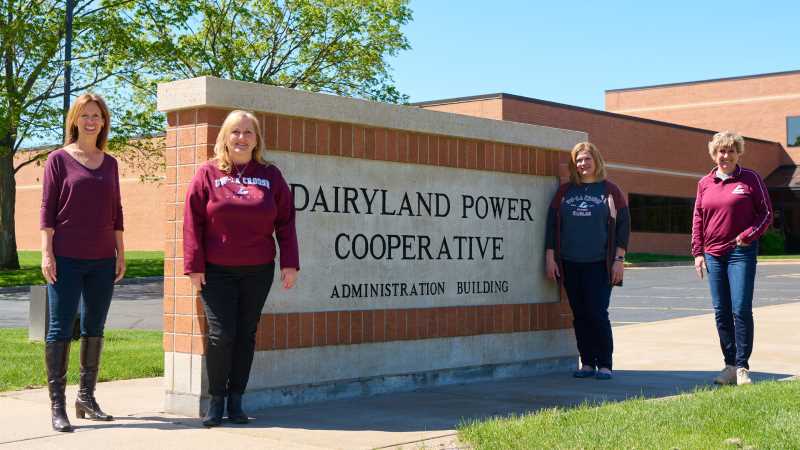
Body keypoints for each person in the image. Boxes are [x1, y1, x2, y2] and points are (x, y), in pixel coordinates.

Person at [184, 110, 299, 427]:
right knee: (222, 336)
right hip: (216, 270)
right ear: (225, 136)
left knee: (246, 334)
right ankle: (216, 401)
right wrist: (194, 265)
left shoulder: (270, 175)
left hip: (258, 269)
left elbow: (286, 222)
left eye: (249, 132)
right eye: (236, 131)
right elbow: (192, 220)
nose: (242, 137)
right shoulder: (207, 173)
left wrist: (290, 263)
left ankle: (236, 401)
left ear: (257, 139)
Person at [40, 93, 125, 432]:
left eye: (97, 115)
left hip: (103, 258)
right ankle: (57, 405)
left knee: (95, 328)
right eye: (85, 115)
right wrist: (47, 252)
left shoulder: (111, 163)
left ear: (103, 122)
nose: (91, 120)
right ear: (75, 119)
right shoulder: (58, 160)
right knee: (60, 329)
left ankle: (86, 398)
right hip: (66, 257)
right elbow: (47, 210)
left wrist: (121, 251)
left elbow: (117, 211)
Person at [692, 131, 772, 386]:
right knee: (721, 311)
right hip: (713, 254)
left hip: (741, 252)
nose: (725, 156)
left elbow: (766, 213)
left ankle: (742, 367)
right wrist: (697, 252)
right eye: (720, 151)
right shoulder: (704, 182)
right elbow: (698, 219)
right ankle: (729, 365)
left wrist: (749, 235)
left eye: (730, 151)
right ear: (714, 154)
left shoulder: (750, 179)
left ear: (738, 153)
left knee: (740, 308)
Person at [545, 142, 630, 380]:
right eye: (578, 160)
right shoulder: (565, 192)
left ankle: (604, 364)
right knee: (580, 314)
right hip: (570, 263)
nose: (583, 164)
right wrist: (550, 257)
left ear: (596, 161)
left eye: (586, 159)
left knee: (597, 313)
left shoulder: (609, 190)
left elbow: (623, 226)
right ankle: (587, 364)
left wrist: (619, 260)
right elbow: (552, 225)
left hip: (599, 264)